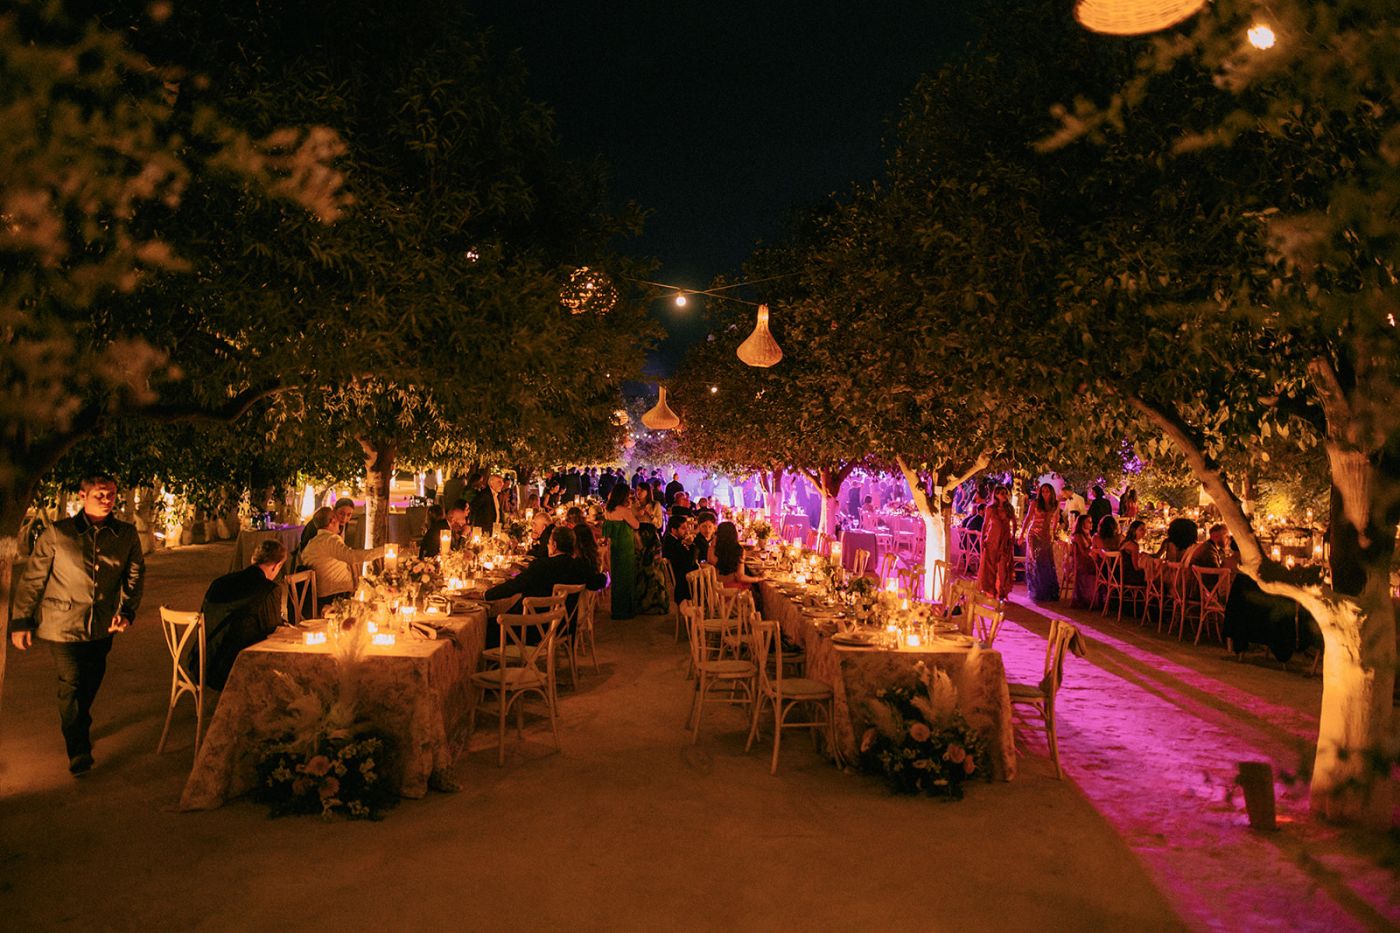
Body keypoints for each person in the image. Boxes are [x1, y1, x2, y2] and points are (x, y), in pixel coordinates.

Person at [10, 474, 145, 775]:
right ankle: (78, 748)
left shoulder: (125, 534)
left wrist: (126, 611)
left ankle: (79, 721)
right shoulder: (58, 534)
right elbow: (33, 579)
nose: (107, 499)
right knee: (70, 683)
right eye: (99, 494)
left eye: (111, 494)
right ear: (82, 496)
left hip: (102, 625)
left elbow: (134, 577)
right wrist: (22, 621)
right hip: (61, 625)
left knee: (92, 679)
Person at [186, 539, 287, 691]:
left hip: (201, 663)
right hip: (233, 669)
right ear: (276, 566)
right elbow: (274, 631)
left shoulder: (220, 582)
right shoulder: (268, 589)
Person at [482, 526, 605, 645]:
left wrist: (485, 595)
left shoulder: (541, 566)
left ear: (555, 546)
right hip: (562, 628)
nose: (547, 545)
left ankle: (498, 664)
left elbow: (514, 587)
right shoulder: (579, 567)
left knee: (487, 627)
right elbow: (598, 581)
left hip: (532, 629)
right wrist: (606, 576)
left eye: (549, 542)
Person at [301, 506, 384, 608]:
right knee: (375, 603)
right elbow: (351, 556)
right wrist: (383, 551)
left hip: (320, 595)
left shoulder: (312, 542)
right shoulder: (330, 540)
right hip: (335, 597)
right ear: (332, 521)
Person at [601, 484, 640, 619]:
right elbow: (636, 525)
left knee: (617, 579)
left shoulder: (608, 510)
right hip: (625, 547)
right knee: (627, 579)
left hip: (614, 547)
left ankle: (616, 609)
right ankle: (626, 610)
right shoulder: (624, 511)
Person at [977, 484, 1017, 600]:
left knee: (1003, 566)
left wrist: (1013, 536)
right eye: (1002, 493)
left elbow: (1014, 523)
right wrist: (982, 538)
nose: (1005, 496)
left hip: (1004, 540)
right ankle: (990, 590)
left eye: (1006, 493)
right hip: (992, 539)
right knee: (990, 566)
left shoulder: (1009, 508)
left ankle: (1002, 591)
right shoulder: (990, 509)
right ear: (996, 495)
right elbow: (985, 524)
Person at [1023, 482, 1060, 602]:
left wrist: (1053, 533)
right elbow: (1028, 518)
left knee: (1047, 562)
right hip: (1034, 533)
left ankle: (1048, 591)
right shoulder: (1035, 503)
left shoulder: (1055, 504)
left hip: (1046, 535)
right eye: (1043, 491)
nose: (1044, 493)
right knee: (1036, 561)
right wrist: (1022, 534)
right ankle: (1037, 591)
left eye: (1047, 491)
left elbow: (1056, 519)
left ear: (1051, 492)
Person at [713, 521, 764, 592]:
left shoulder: (715, 549)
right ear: (734, 534)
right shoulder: (738, 550)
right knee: (755, 589)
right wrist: (758, 579)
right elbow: (740, 577)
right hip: (732, 591)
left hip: (717, 588)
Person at [661, 510, 698, 604]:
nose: (687, 531)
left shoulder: (674, 540)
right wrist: (692, 545)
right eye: (683, 528)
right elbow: (689, 562)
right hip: (683, 581)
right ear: (674, 530)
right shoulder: (672, 543)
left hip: (684, 576)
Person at [1067, 515, 1097, 609]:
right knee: (1102, 568)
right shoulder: (1078, 536)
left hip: (1087, 560)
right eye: (1088, 521)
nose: (1091, 524)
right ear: (1082, 524)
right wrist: (1093, 547)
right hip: (1081, 563)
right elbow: (1084, 553)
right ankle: (1092, 599)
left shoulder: (1087, 534)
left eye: (1091, 521)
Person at [1121, 519, 1148, 587]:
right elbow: (1136, 567)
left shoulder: (1125, 542)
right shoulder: (1134, 545)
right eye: (1141, 529)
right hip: (1130, 577)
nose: (1144, 532)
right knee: (1153, 574)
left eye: (1145, 529)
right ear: (1134, 530)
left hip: (1121, 575)